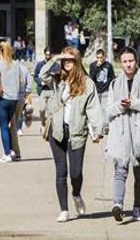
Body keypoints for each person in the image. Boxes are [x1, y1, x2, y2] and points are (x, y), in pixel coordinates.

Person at [40, 46, 105, 222]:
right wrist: (55, 58)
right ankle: (64, 210)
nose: (66, 63)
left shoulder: (87, 83)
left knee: (76, 173)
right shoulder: (57, 80)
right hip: (57, 131)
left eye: (70, 59)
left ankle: (76, 194)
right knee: (61, 172)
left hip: (77, 132)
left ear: (77, 61)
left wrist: (98, 130)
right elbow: (41, 75)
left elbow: (94, 109)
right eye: (65, 60)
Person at [105, 47, 140, 222]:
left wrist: (135, 104)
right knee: (120, 169)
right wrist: (121, 106)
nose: (128, 64)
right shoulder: (115, 83)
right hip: (121, 133)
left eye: (131, 61)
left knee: (139, 172)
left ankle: (137, 207)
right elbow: (108, 111)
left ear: (136, 61)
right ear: (120, 63)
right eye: (125, 61)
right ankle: (118, 204)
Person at [0, 41, 22, 163]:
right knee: (8, 125)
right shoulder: (16, 64)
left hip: (2, 99)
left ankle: (7, 153)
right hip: (14, 100)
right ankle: (11, 149)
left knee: (3, 127)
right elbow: (20, 81)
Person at [8, 60, 31, 160]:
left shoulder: (8, 69)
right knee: (13, 124)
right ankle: (14, 150)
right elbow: (29, 86)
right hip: (21, 97)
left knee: (11, 126)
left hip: (10, 98)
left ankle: (14, 151)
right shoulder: (24, 69)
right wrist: (24, 94)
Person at [33, 48, 59, 132]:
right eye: (47, 54)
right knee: (42, 109)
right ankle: (43, 123)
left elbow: (59, 76)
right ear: (44, 54)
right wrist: (40, 82)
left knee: (51, 111)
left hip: (52, 90)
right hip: (42, 90)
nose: (48, 56)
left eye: (49, 54)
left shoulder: (55, 65)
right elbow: (35, 76)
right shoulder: (40, 64)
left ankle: (48, 128)